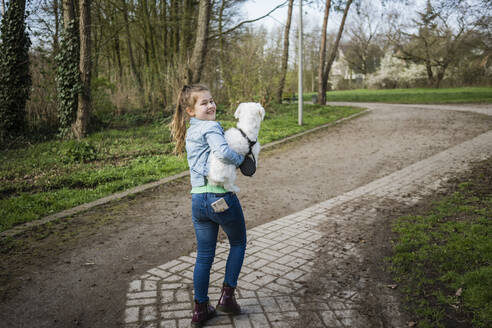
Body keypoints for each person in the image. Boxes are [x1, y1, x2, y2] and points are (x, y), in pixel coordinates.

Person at [170, 84, 247, 328]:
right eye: (204, 103)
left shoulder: (191, 130)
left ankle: (200, 309)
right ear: (190, 110)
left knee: (204, 255)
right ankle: (227, 298)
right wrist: (240, 160)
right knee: (238, 242)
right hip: (219, 197)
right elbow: (223, 152)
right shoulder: (211, 126)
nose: (211, 105)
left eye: (211, 101)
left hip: (198, 201)